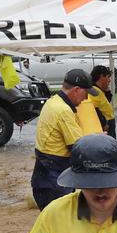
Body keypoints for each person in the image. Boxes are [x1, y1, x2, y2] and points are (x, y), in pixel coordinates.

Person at [30, 69, 91, 209]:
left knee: (50, 221)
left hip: (42, 173)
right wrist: (96, 143)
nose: (86, 98)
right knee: (61, 222)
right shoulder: (63, 110)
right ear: (76, 89)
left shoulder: (52, 102)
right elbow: (77, 147)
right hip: (55, 176)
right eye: (85, 93)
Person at [87, 65, 116, 138]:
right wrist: (103, 123)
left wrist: (107, 91)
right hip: (105, 124)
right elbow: (93, 109)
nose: (109, 80)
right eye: (108, 77)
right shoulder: (94, 91)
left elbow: (105, 102)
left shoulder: (99, 90)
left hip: (108, 121)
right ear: (101, 77)